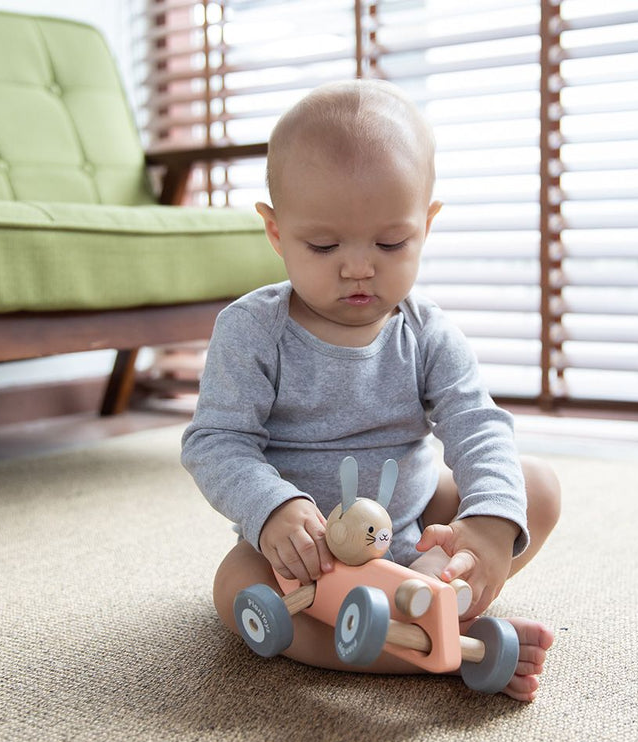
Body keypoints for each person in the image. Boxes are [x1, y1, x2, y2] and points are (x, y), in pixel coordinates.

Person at [181, 79, 561, 702]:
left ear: (426, 224)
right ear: (275, 233)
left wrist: (489, 526)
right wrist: (271, 508)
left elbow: (477, 424)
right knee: (236, 590)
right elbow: (217, 442)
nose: (359, 266)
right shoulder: (252, 330)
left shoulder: (427, 331)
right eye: (323, 245)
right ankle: (436, 649)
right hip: (307, 560)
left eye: (391, 243)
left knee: (534, 487)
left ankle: (435, 593)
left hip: (415, 536)